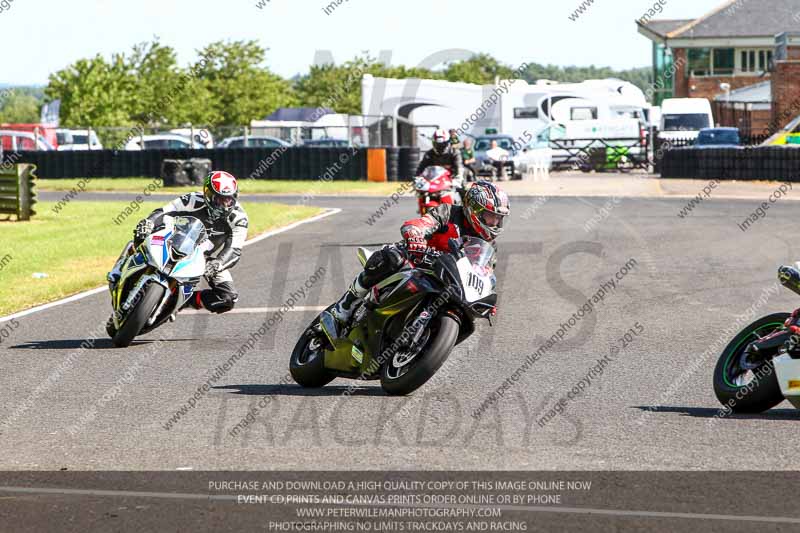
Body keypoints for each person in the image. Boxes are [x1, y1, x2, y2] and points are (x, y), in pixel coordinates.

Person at [322, 181, 510, 341]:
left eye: (498, 218)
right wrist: (414, 236)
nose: (494, 223)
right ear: (474, 209)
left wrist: (485, 297)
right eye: (490, 216)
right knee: (391, 258)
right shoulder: (448, 212)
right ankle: (343, 308)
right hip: (417, 258)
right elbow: (421, 223)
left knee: (467, 318)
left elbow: (485, 273)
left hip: (447, 277)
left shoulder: (489, 246)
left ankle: (424, 343)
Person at [107, 170, 248, 316]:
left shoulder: (239, 219)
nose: (225, 204)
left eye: (229, 199)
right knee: (142, 234)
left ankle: (180, 302)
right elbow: (164, 211)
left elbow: (234, 250)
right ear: (208, 194)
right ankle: (124, 266)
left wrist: (217, 263)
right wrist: (149, 222)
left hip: (206, 259)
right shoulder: (193, 199)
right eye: (219, 199)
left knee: (228, 298)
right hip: (176, 239)